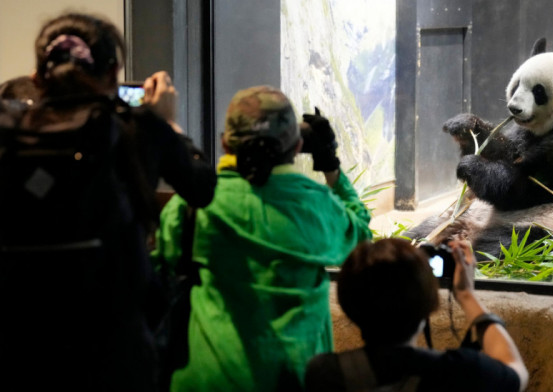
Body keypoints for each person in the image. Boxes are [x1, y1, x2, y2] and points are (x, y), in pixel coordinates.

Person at [0, 12, 215, 391]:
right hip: (115, 349)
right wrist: (168, 123)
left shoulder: (9, 133)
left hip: (20, 346)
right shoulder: (136, 129)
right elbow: (202, 189)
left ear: (37, 77)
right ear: (114, 72)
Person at [152, 85, 373, 391]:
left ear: (225, 143)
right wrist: (330, 164)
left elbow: (162, 264)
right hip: (293, 380)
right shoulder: (316, 206)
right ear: (297, 147)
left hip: (205, 381)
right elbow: (361, 235)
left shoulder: (192, 206)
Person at [305, 238, 529, 392]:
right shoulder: (462, 372)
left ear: (347, 305)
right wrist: (466, 295)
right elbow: (516, 371)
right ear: (430, 304)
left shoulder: (322, 374)